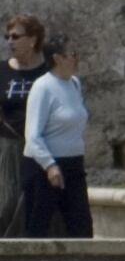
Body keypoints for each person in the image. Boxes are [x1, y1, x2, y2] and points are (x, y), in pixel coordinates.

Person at [20, 38, 92, 238]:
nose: (76, 59)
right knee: (39, 226)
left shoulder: (74, 84)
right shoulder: (42, 87)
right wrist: (50, 165)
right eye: (72, 55)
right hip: (43, 167)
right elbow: (32, 134)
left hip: (73, 164)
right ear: (57, 58)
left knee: (81, 225)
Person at [1, 13, 45, 232]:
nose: (10, 41)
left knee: (35, 203)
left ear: (33, 39)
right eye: (7, 37)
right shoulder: (2, 70)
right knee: (6, 204)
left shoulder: (48, 72)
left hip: (42, 147)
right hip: (9, 147)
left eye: (15, 36)